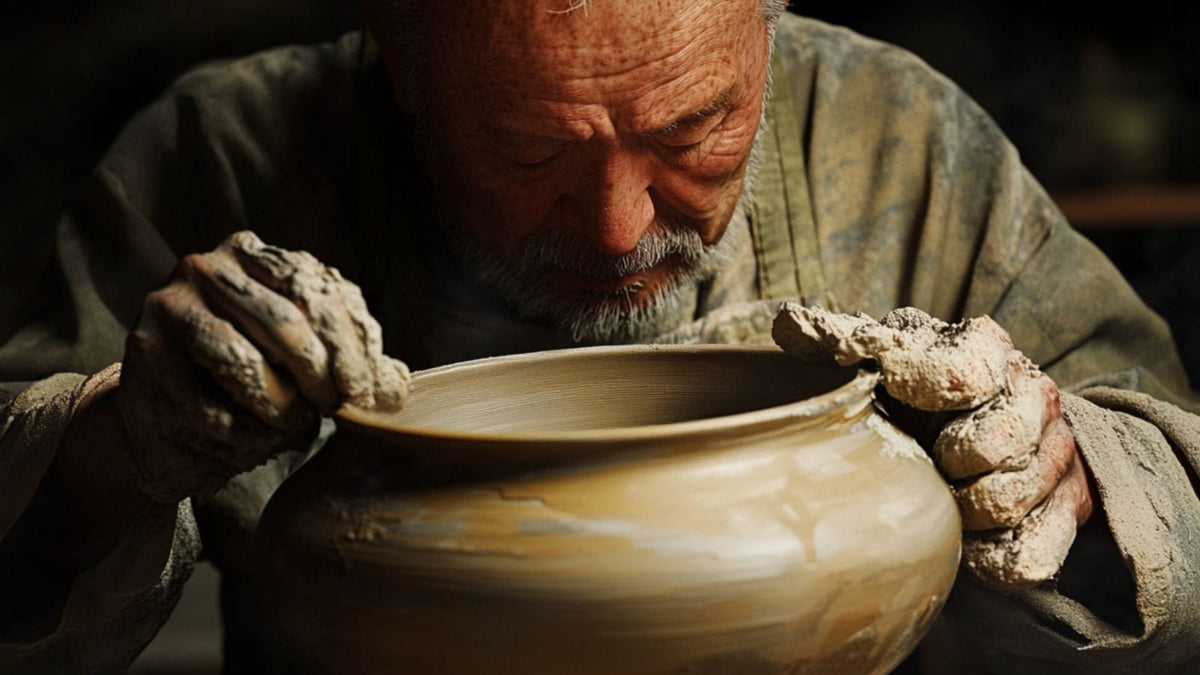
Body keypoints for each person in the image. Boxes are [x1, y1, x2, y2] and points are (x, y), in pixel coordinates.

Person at [2, 0, 1198, 671]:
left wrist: (1071, 468)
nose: (621, 229)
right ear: (401, 58)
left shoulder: (905, 140)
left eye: (694, 132)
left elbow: (1179, 477)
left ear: (768, 31)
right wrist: (120, 444)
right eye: (530, 151)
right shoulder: (216, 155)